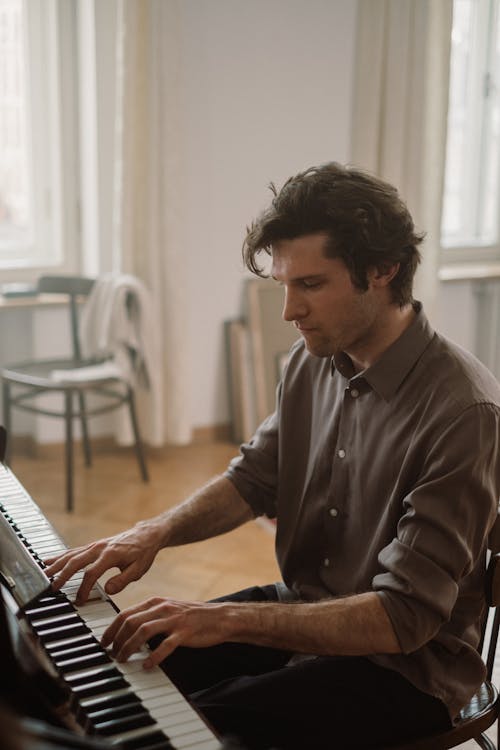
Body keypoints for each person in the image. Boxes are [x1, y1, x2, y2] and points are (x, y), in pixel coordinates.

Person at [45, 163, 500, 750]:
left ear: (383, 271)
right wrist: (153, 532)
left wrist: (226, 620)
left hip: (408, 670)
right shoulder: (312, 361)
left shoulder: (463, 413)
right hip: (305, 609)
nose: (289, 311)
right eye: (284, 284)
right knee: (112, 683)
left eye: (310, 285)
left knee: (175, 732)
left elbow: (403, 618)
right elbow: (255, 478)